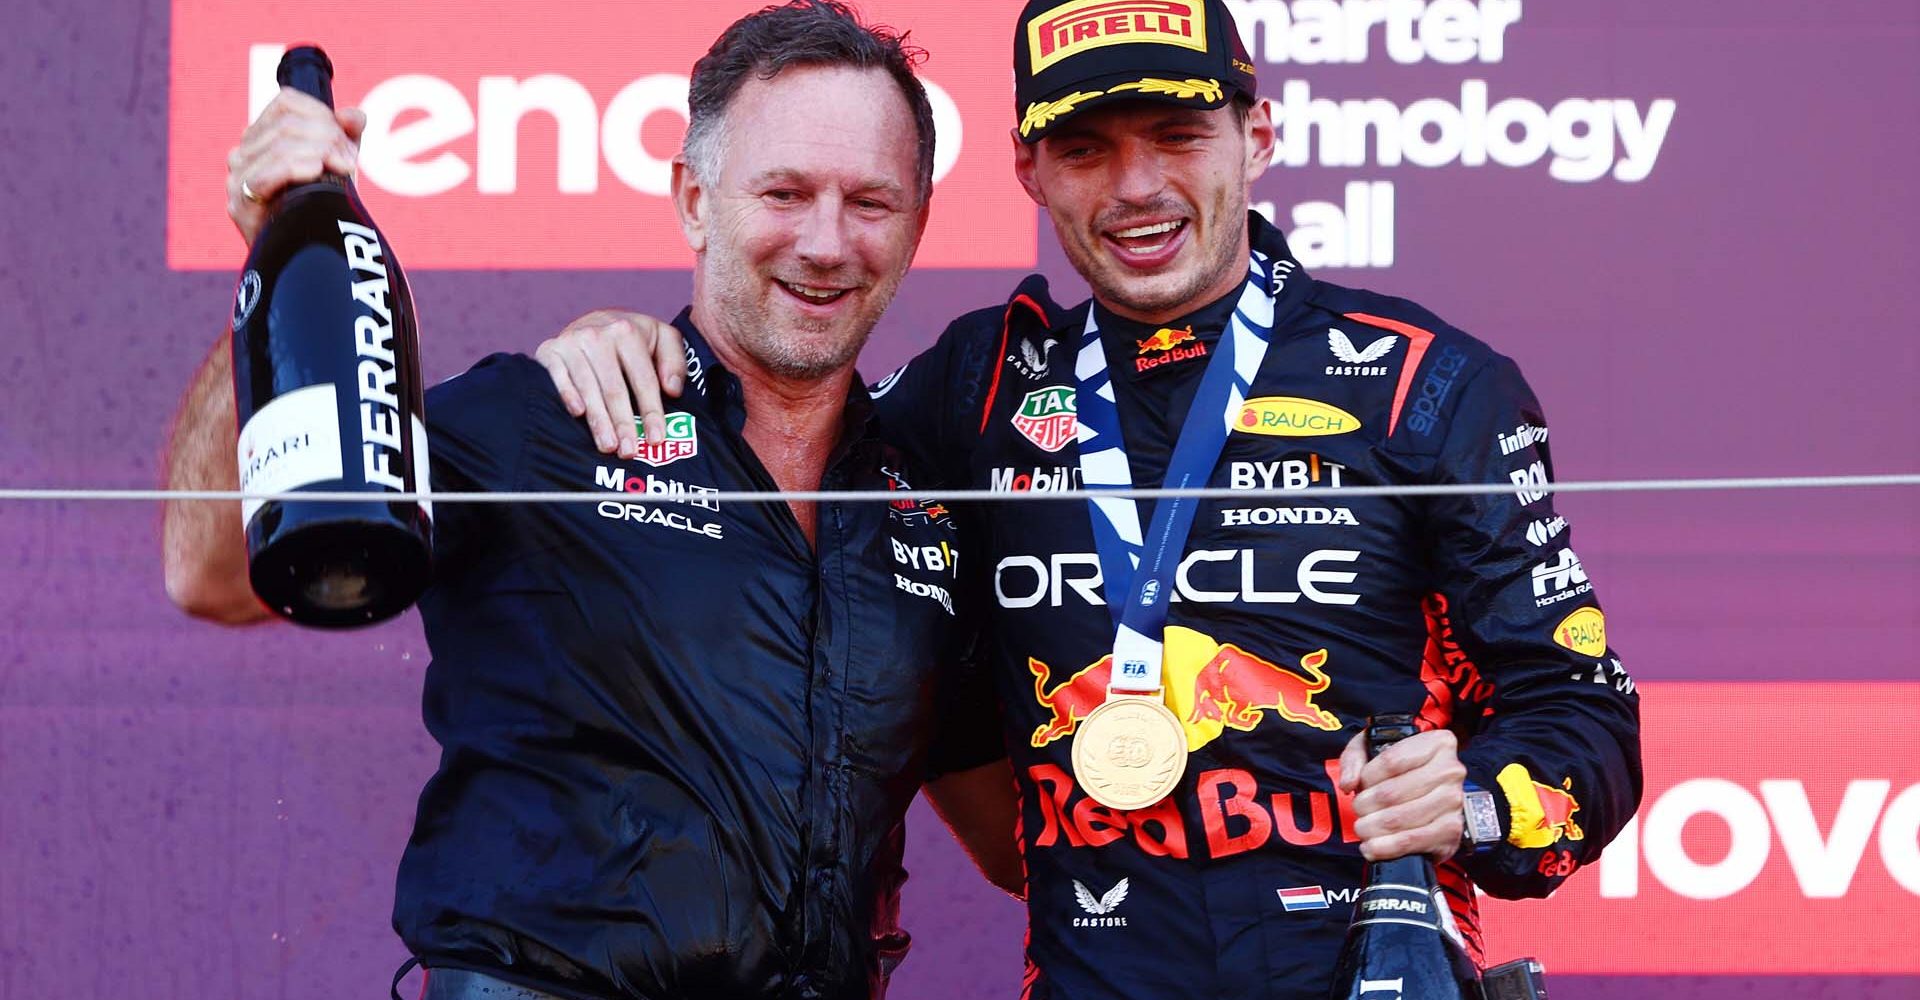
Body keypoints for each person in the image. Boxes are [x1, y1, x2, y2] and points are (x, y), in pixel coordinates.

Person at [535, 1, 1642, 996]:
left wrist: (1480, 804)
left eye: (1177, 136)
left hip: (1372, 979)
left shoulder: (1425, 383)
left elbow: (1587, 715)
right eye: (1085, 148)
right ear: (1029, 170)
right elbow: (780, 453)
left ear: (1255, 138)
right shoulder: (976, 389)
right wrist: (639, 352)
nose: (1136, 187)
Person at [160, 3, 1024, 999]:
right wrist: (274, 245)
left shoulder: (921, 499)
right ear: (694, 199)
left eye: (871, 201)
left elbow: (1012, 842)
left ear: (918, 218)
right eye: (784, 192)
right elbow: (210, 571)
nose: (827, 243)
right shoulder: (546, 418)